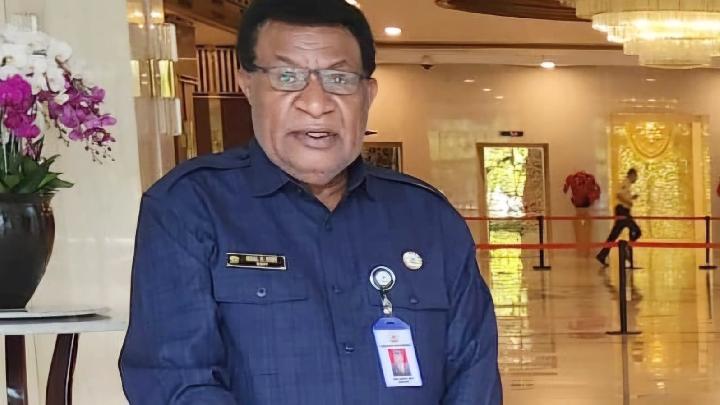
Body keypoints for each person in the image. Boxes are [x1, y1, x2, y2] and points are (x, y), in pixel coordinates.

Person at [119, 0, 502, 403]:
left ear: (367, 93)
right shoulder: (189, 208)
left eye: (339, 78)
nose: (316, 103)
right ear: (247, 85)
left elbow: (473, 374)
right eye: (287, 77)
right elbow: (176, 380)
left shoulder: (428, 217)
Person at [596, 168, 642, 266]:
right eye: (636, 176)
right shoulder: (625, 182)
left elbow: (623, 195)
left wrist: (631, 198)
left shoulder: (627, 184)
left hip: (623, 211)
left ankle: (602, 255)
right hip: (622, 211)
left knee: (614, 235)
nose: (636, 178)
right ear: (632, 175)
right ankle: (627, 249)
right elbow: (619, 195)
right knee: (636, 231)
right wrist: (628, 202)